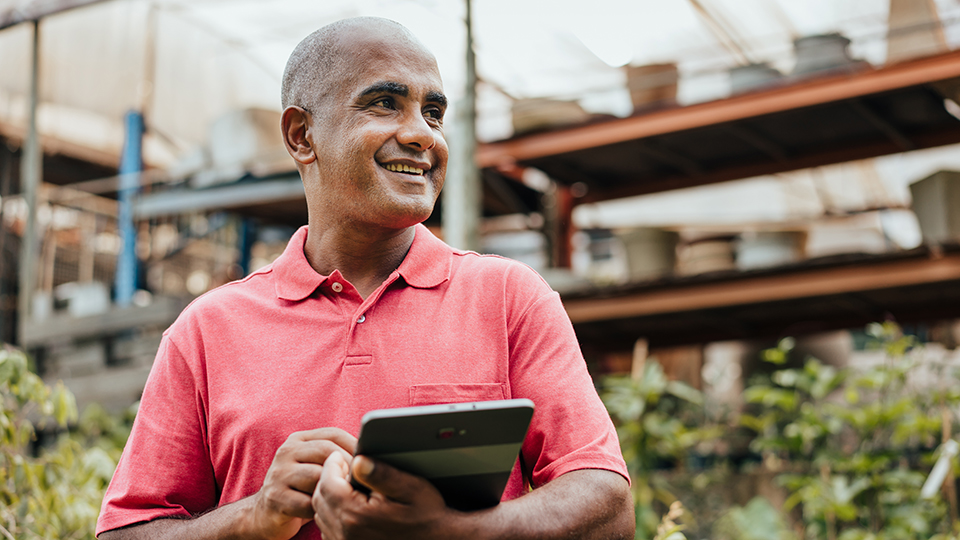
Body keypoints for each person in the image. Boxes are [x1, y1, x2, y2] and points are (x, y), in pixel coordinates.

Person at [96, 16, 634, 540]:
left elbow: (608, 507)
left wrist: (449, 531)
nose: (422, 135)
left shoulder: (509, 299)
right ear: (302, 135)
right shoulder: (207, 332)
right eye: (384, 103)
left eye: (433, 112)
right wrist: (254, 517)